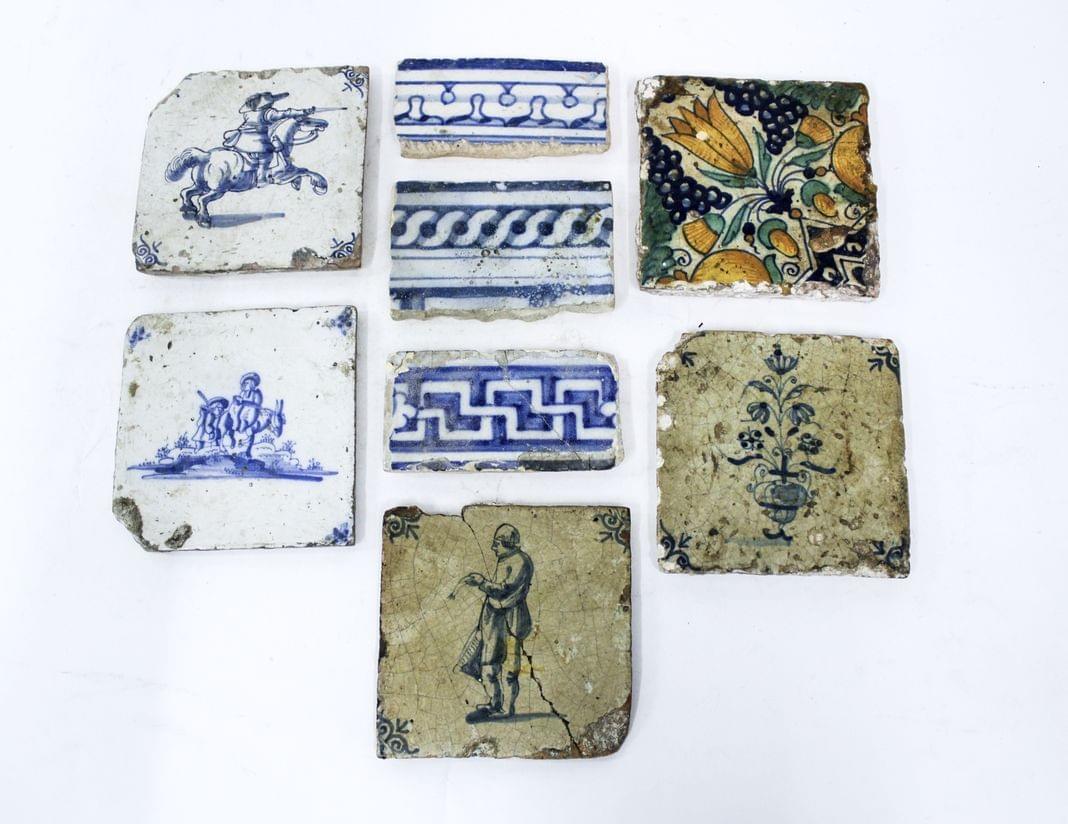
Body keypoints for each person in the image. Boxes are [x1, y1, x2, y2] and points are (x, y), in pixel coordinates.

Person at [458, 524, 534, 721]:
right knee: (489, 665)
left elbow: (505, 590)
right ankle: (495, 703)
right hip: (494, 622)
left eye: (496, 543)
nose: (493, 548)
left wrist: (481, 583)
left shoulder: (520, 561)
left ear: (507, 543)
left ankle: (507, 708)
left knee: (509, 669)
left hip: (511, 622)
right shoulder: (505, 559)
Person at [224, 92, 312, 186]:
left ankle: (250, 178)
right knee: (264, 162)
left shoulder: (248, 113)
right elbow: (285, 113)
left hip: (242, 143)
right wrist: (303, 112)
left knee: (253, 163)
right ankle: (261, 180)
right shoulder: (268, 113)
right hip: (259, 144)